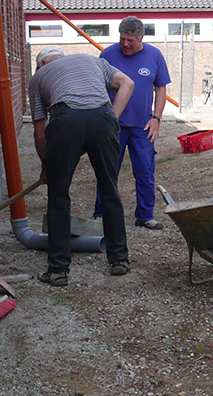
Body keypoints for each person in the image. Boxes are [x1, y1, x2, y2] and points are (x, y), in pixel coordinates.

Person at [28, 47, 134, 285]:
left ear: (42, 63)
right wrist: (112, 120)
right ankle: (119, 259)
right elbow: (127, 83)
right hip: (102, 116)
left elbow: (39, 133)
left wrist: (47, 168)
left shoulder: (38, 77)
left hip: (65, 119)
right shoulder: (93, 60)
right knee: (109, 189)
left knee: (58, 194)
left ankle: (58, 270)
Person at [94, 17, 170, 229]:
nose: (125, 44)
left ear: (141, 38)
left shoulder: (154, 56)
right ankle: (101, 214)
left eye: (130, 40)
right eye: (122, 39)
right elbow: (97, 85)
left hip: (142, 126)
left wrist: (156, 118)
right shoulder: (107, 55)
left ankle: (145, 216)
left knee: (145, 171)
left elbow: (161, 88)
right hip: (113, 125)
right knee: (107, 171)